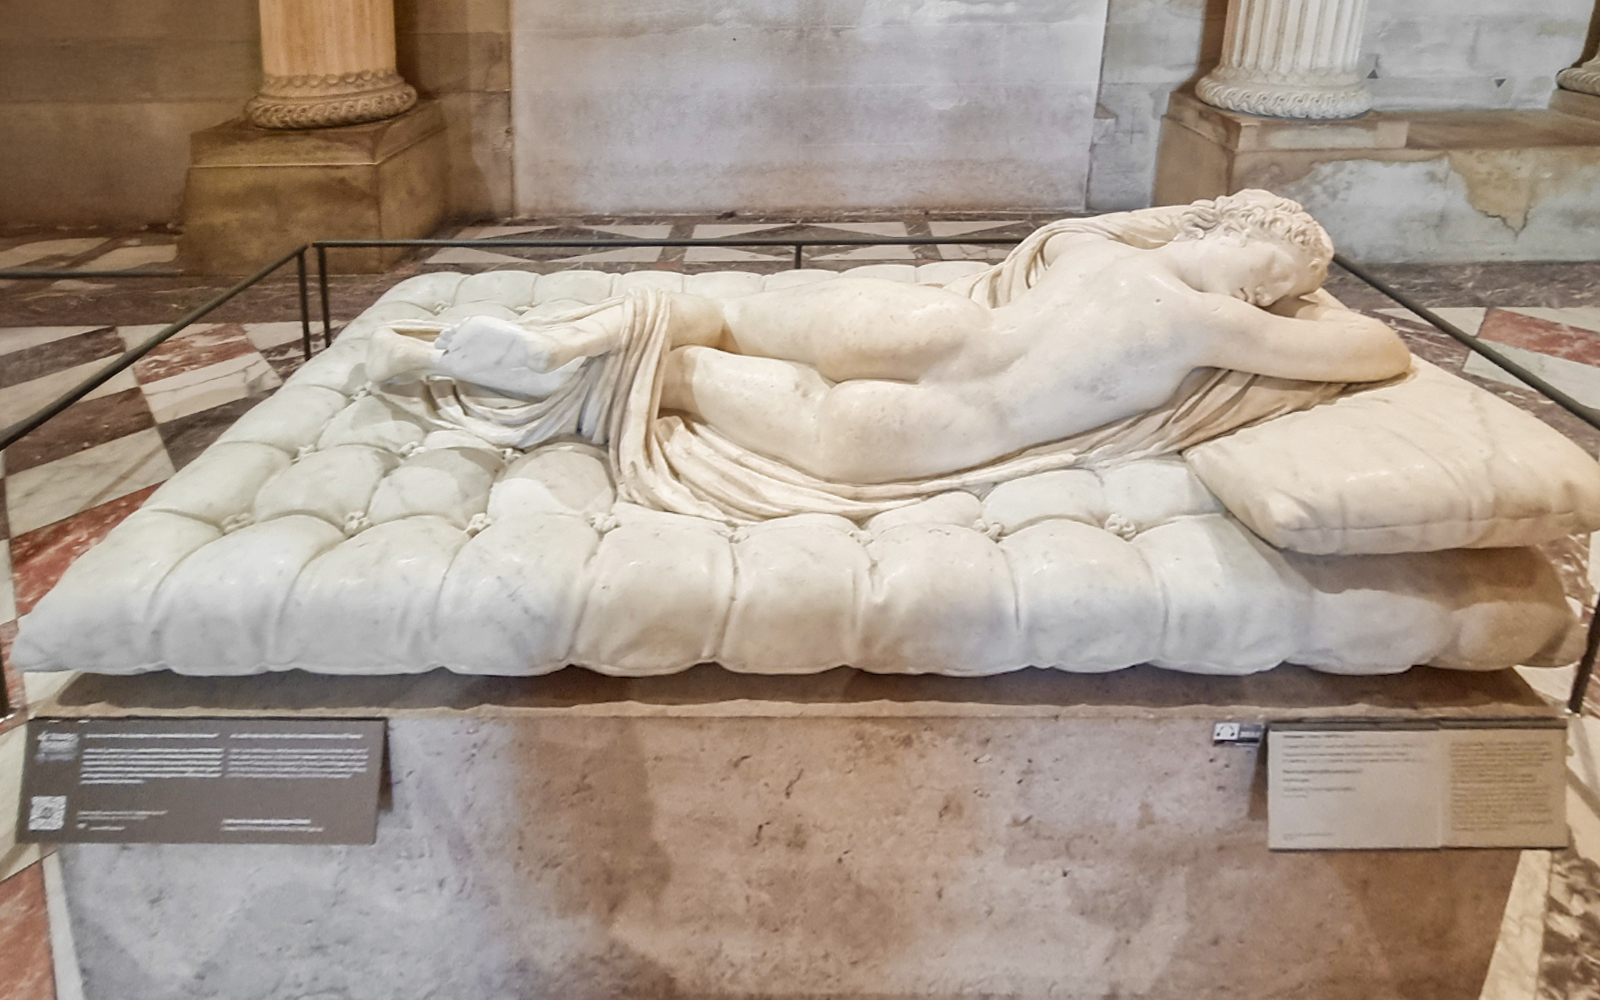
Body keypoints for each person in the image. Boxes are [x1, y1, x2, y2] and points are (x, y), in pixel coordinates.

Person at [369, 191, 1409, 485]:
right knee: (678, 380)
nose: (1277, 303)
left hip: (918, 325)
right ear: (1261, 270)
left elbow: (1141, 224)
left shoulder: (1093, 248)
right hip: (909, 428)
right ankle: (549, 371)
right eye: (1282, 282)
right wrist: (1296, 296)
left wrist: (1203, 221)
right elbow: (1378, 351)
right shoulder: (1211, 320)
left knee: (710, 307)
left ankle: (560, 332)